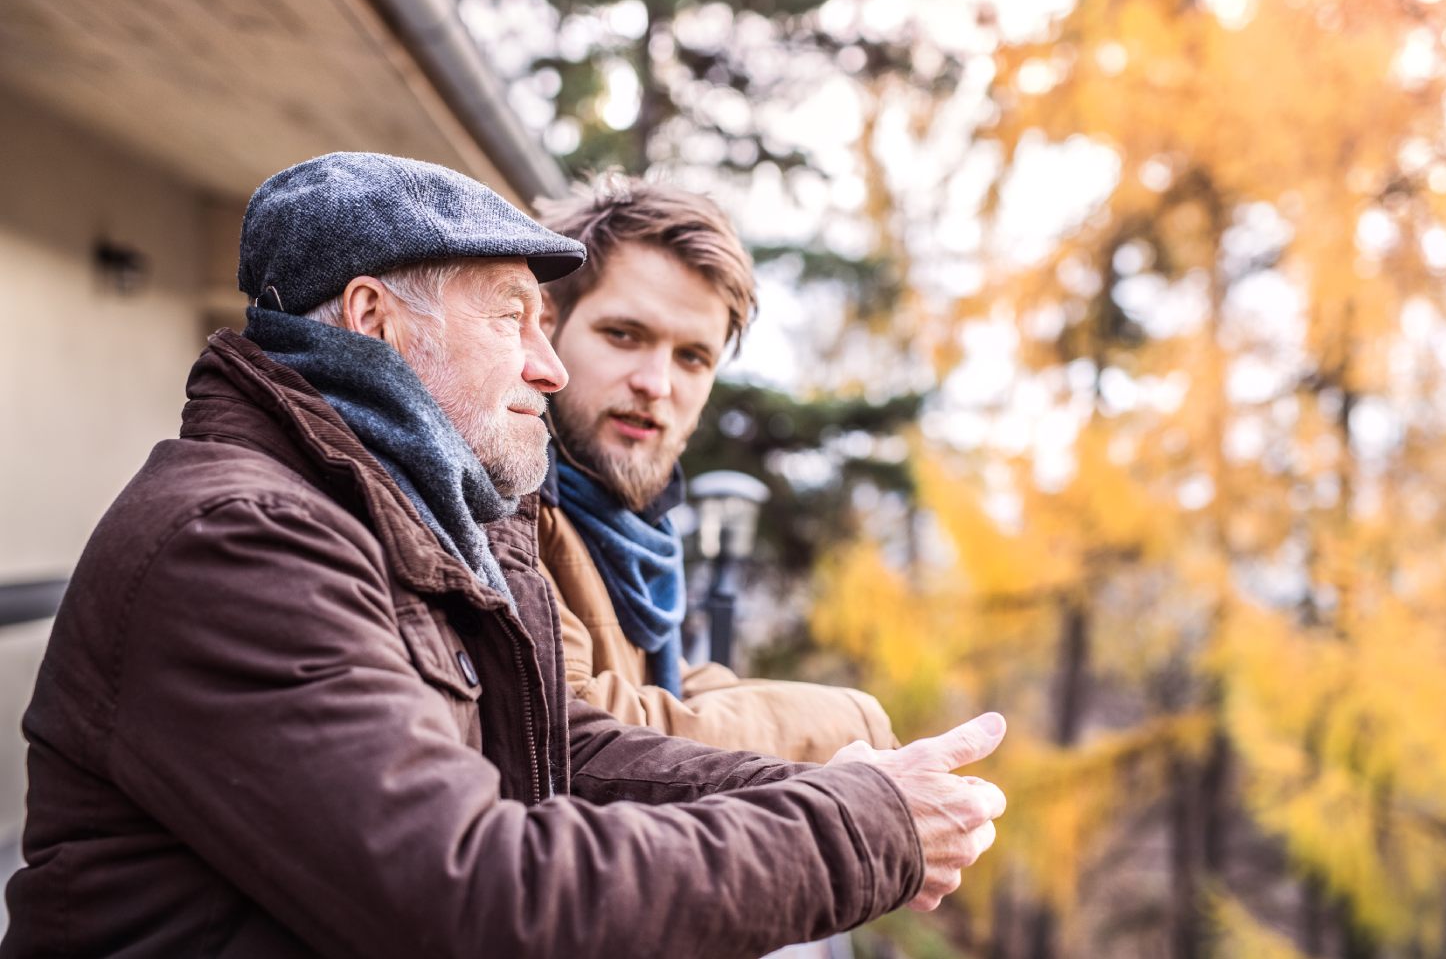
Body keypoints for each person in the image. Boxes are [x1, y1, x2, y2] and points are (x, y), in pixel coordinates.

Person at [0, 152, 1007, 959]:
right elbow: (473, 896)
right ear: (370, 321)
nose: (551, 362)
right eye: (514, 317)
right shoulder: (237, 544)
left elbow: (564, 751)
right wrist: (855, 829)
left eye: (692, 355)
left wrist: (845, 793)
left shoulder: (440, 523)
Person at [534, 176, 897, 763]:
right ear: (545, 321)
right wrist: (859, 723)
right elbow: (575, 724)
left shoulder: (633, 534)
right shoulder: (506, 495)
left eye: (692, 357)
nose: (656, 384)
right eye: (623, 335)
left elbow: (667, 690)